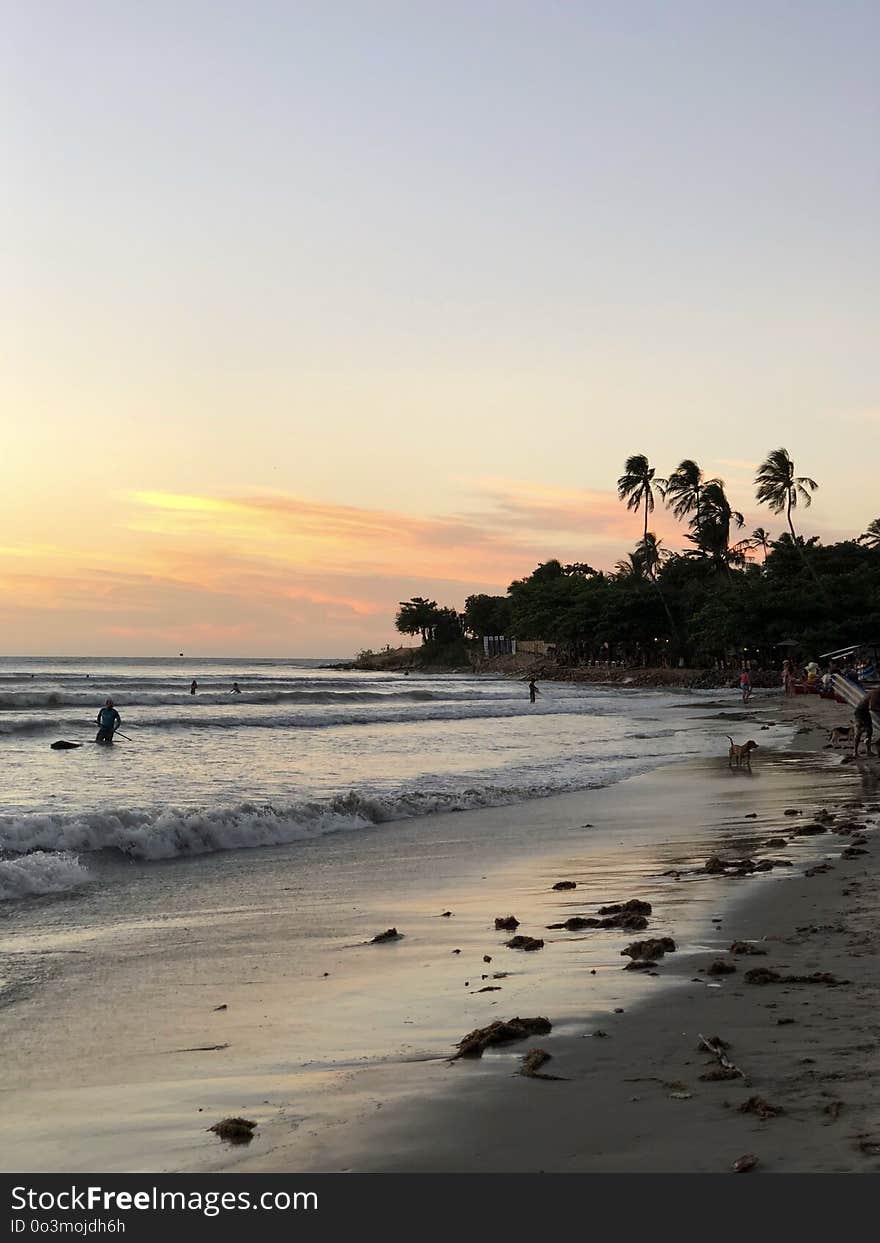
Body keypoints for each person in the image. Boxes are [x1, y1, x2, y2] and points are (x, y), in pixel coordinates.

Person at [853, 687, 880, 757]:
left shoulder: (876, 693)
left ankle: (869, 751)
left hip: (866, 712)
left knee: (869, 731)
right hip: (860, 712)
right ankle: (855, 752)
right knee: (859, 732)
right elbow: (872, 707)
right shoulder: (875, 693)